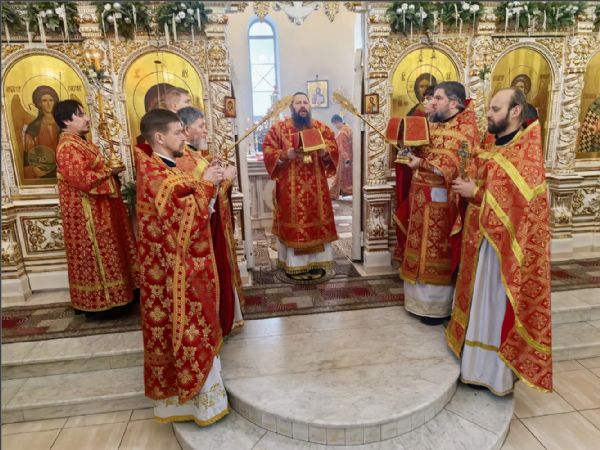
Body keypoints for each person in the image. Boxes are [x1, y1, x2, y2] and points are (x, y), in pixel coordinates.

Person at [447, 88, 552, 395]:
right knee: (476, 298)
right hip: (479, 239)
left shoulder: (525, 154)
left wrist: (476, 192)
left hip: (502, 251)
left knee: (492, 303)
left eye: (495, 109)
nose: (488, 114)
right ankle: (472, 363)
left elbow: (520, 207)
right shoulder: (494, 144)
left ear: (515, 111)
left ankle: (492, 373)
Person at [135, 108, 229, 426]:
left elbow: (191, 203)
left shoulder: (167, 166)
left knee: (199, 329)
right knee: (187, 331)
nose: (183, 137)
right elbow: (179, 220)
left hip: (186, 268)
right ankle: (194, 405)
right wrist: (205, 186)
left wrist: (207, 184)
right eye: (178, 132)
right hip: (173, 275)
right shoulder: (153, 172)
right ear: (159, 137)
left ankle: (205, 399)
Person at [397, 81, 480, 325]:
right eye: (432, 98)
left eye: (438, 98)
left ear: (453, 103)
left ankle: (436, 308)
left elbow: (456, 164)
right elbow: (422, 150)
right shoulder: (432, 123)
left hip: (443, 203)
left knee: (436, 250)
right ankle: (416, 303)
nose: (432, 102)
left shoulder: (466, 128)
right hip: (420, 198)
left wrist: (421, 163)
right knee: (418, 246)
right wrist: (408, 151)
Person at [53, 100, 138, 317]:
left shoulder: (81, 143)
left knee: (114, 251)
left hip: (101, 209)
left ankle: (121, 295)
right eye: (80, 115)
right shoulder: (67, 147)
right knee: (99, 256)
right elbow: (82, 179)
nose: (87, 118)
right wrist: (110, 172)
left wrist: (110, 170)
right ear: (66, 120)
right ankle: (106, 303)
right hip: (88, 215)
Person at [176, 106, 245, 335]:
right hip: (207, 232)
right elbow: (204, 199)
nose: (206, 130)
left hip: (215, 228)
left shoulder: (194, 155)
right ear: (186, 129)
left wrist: (214, 168)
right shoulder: (185, 159)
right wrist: (227, 179)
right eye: (201, 126)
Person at [262, 92, 339, 281]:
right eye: (298, 103)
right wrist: (284, 154)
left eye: (305, 102)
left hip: (317, 189)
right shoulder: (279, 128)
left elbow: (334, 149)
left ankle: (317, 263)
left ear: (310, 106)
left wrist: (324, 152)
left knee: (317, 222)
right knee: (293, 224)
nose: (302, 106)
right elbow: (268, 150)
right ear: (292, 107)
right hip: (290, 190)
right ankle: (295, 265)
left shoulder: (321, 128)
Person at [24, 85, 61, 179]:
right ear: (39, 104)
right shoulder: (33, 128)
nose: (48, 104)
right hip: (45, 170)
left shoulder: (63, 123)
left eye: (51, 100)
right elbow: (29, 154)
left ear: (55, 102)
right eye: (44, 100)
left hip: (64, 167)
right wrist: (35, 168)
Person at [329, 114, 353, 199]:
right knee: (348, 178)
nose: (335, 127)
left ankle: (332, 194)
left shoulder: (342, 132)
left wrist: (346, 160)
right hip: (352, 157)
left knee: (339, 177)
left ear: (336, 122)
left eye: (334, 124)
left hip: (344, 158)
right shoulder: (349, 129)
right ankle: (343, 191)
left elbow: (342, 147)